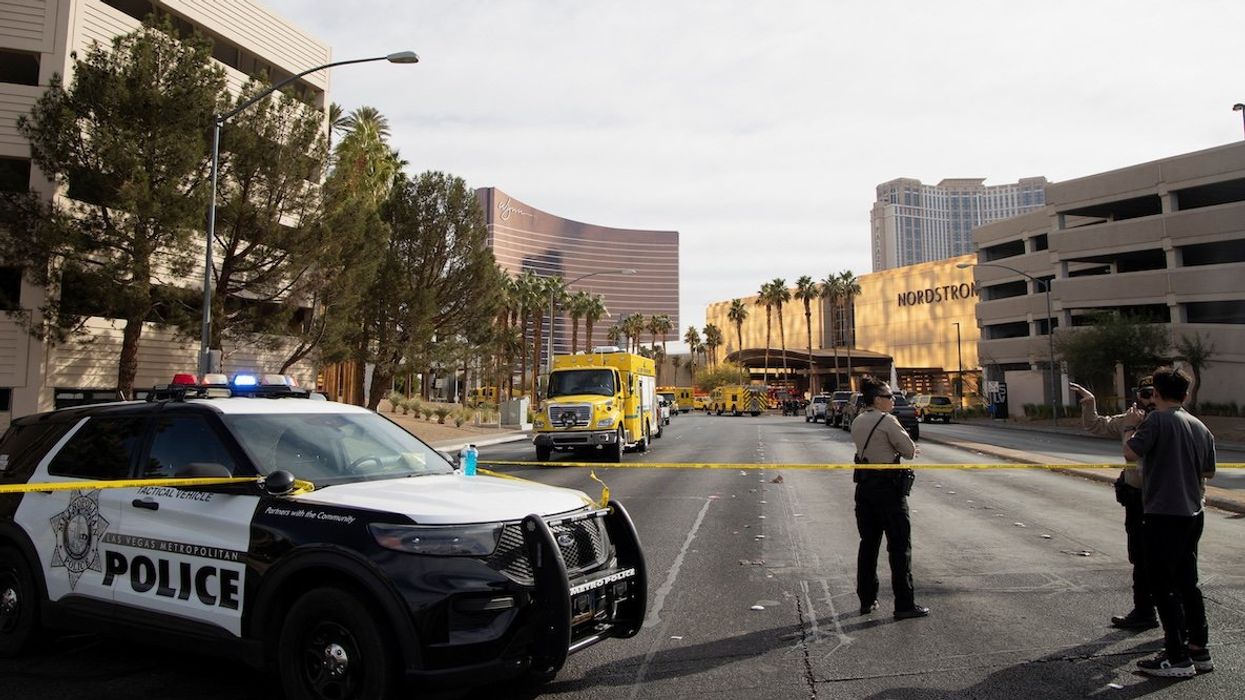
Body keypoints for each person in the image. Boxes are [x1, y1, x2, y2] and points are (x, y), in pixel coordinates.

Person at [1123, 367, 1216, 678]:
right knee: (1189, 583)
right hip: (1193, 512)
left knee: (1163, 586)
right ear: (1186, 394)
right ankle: (1198, 649)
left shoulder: (1156, 420)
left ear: (1158, 393)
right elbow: (1209, 471)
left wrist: (1131, 427)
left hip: (1163, 514)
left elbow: (1130, 453)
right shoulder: (1200, 426)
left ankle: (1176, 656)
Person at [1068, 378, 1157, 630]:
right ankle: (1144, 612)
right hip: (1137, 499)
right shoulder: (1130, 419)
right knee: (1139, 558)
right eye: (1144, 393)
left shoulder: (1162, 421)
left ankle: (1179, 630)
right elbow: (1096, 425)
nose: (1149, 399)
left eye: (1153, 393)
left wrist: (1132, 428)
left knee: (1163, 562)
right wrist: (1090, 403)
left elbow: (1133, 452)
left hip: (1160, 499)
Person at [850, 376, 926, 619]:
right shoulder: (887, 421)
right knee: (899, 547)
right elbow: (909, 451)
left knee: (868, 545)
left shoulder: (858, 420)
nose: (893, 400)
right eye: (888, 396)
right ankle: (904, 604)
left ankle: (867, 599)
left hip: (864, 489)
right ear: (876, 400)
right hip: (888, 490)